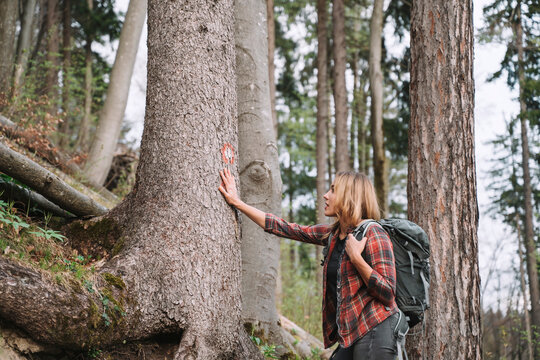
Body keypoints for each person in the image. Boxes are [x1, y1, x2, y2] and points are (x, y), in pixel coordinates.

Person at [219, 168, 400, 360]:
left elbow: (388, 293)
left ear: (349, 195)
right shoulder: (333, 235)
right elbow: (284, 228)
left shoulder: (373, 233)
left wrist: (356, 258)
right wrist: (236, 202)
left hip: (377, 326)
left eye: (333, 190)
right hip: (352, 334)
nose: (325, 195)